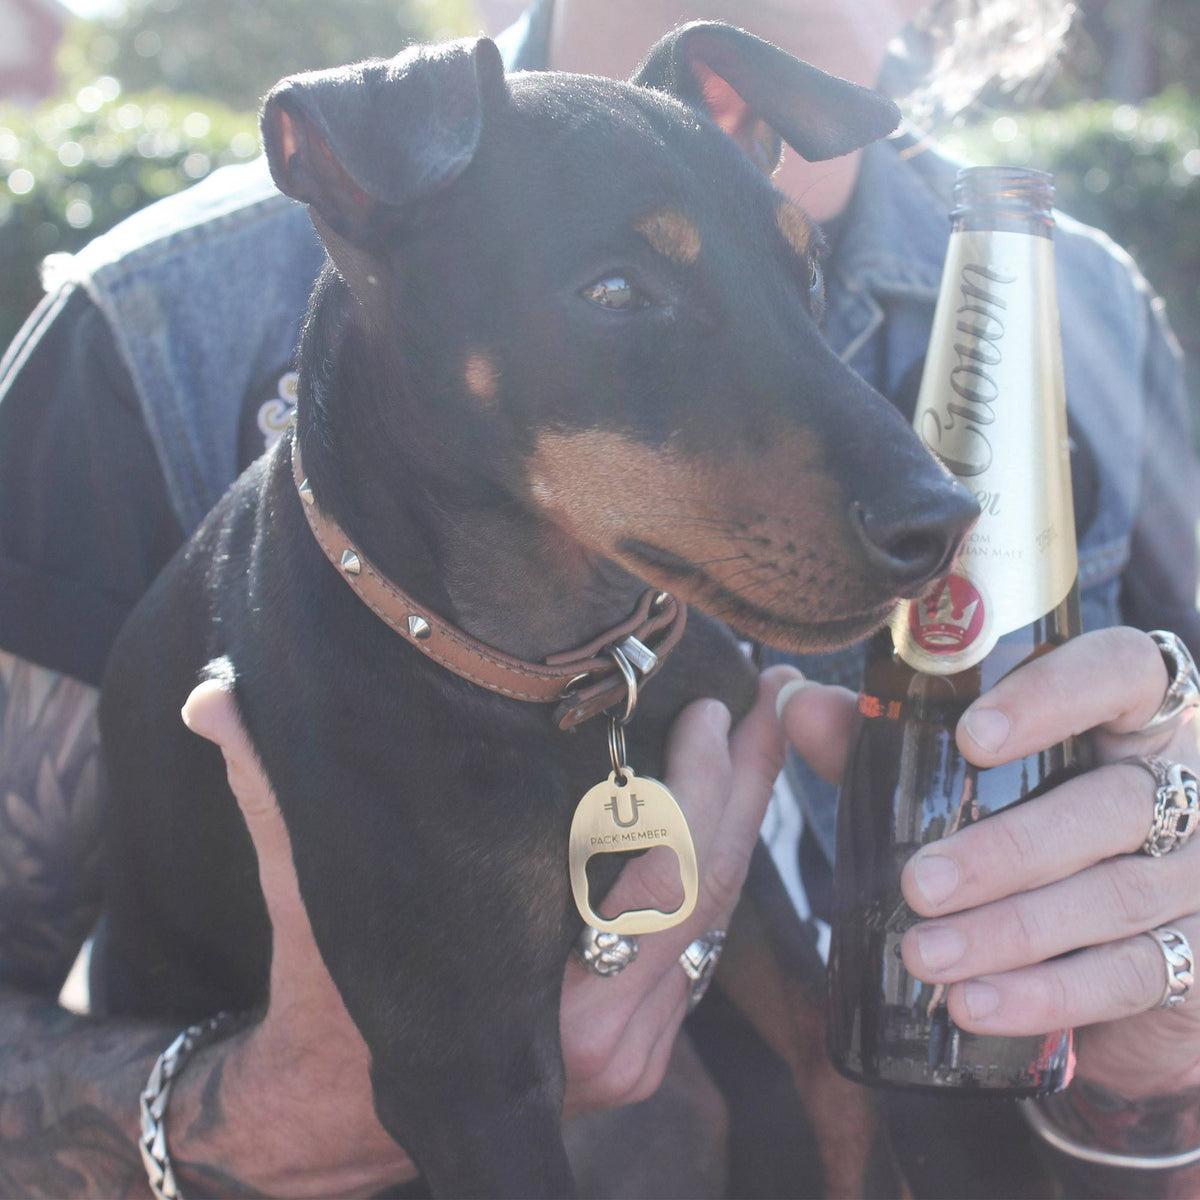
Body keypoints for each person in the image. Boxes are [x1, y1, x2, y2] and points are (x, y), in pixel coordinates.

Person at [1, 0, 1198, 1195]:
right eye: (620, 296)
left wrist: (1163, 1040)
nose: (930, 512)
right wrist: (243, 1119)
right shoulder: (148, 338)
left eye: (796, 282)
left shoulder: (1082, 319)